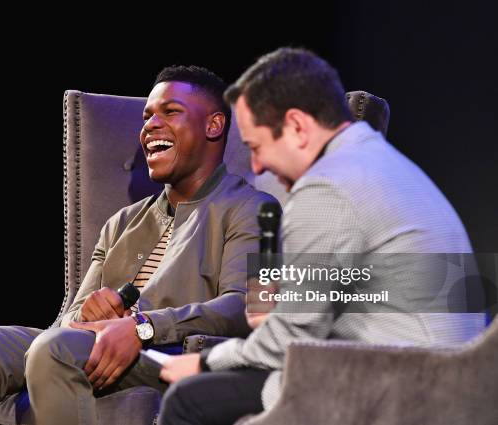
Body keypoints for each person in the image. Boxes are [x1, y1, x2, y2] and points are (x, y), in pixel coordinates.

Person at [0, 65, 277, 425]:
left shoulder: (253, 209)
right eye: (147, 117)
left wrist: (143, 327)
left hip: (170, 352)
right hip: (87, 346)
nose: (150, 126)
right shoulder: (122, 223)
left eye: (170, 112)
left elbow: (246, 309)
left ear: (213, 125)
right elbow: (70, 318)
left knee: (56, 350)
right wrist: (86, 314)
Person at [158, 47, 486, 425]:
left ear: (297, 126)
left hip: (404, 387)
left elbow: (289, 340)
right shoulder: (378, 162)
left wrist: (204, 361)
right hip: (450, 378)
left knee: (189, 398)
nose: (257, 166)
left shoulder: (326, 187)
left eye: (256, 147)